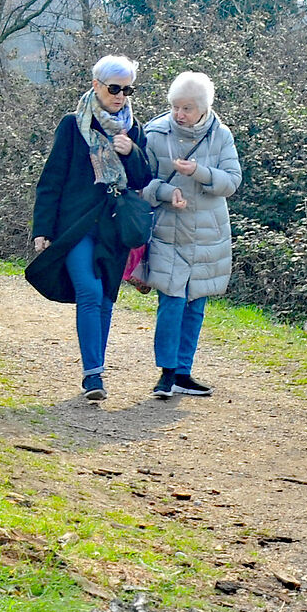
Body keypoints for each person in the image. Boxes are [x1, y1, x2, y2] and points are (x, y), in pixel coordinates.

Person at [29, 55, 153, 401]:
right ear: (97, 85)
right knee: (88, 291)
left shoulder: (134, 128)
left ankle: (95, 370)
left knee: (106, 299)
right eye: (114, 88)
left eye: (128, 89)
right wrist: (43, 228)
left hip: (115, 228)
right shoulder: (73, 124)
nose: (121, 96)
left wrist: (131, 152)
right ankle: (93, 376)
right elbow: (52, 178)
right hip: (76, 225)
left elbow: (143, 178)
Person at [136, 70, 240, 399]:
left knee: (196, 303)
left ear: (203, 108)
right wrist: (167, 193)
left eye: (187, 108)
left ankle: (183, 371)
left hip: (209, 234)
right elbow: (138, 185)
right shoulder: (154, 134)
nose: (179, 114)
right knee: (172, 300)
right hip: (168, 230)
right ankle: (165, 373)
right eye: (175, 107)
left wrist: (200, 172)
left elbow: (232, 181)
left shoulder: (221, 135)